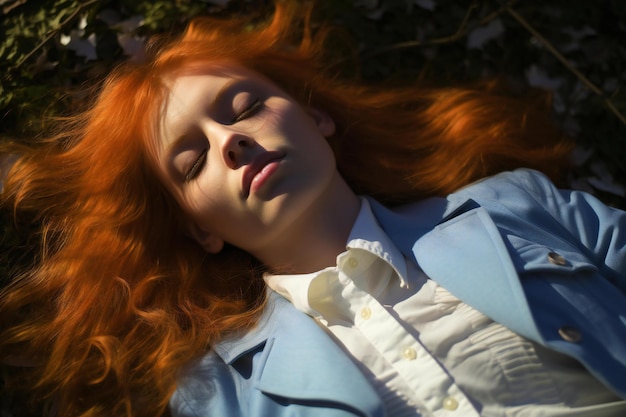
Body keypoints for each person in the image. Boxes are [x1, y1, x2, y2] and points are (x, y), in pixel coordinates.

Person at [1, 2, 625, 416]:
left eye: (243, 107)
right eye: (191, 163)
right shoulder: (215, 394)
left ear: (317, 117)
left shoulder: (517, 204)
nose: (230, 141)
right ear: (199, 228)